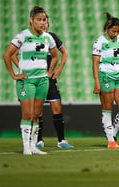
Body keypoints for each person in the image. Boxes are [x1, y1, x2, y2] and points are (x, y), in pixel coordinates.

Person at [3, 6, 59, 155]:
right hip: (26, 80)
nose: (42, 22)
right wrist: (14, 75)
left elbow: (55, 55)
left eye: (44, 20)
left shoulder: (48, 37)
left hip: (42, 80)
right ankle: (26, 146)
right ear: (31, 21)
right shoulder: (23, 36)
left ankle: (33, 145)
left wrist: (50, 71)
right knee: (27, 114)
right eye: (39, 20)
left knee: (36, 114)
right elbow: (7, 55)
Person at [11, 18, 74, 149]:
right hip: (33, 78)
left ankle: (61, 140)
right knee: (37, 112)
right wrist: (22, 69)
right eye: (41, 22)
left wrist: (58, 69)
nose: (44, 24)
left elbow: (64, 53)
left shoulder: (51, 37)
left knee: (57, 107)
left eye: (46, 22)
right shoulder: (28, 37)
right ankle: (38, 141)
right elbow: (12, 55)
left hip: (48, 78)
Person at [92, 12, 119, 148]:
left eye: (118, 31)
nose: (116, 34)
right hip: (106, 77)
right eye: (114, 31)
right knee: (107, 109)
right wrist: (97, 81)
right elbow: (95, 63)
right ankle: (111, 141)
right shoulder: (100, 42)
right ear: (107, 29)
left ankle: (112, 132)